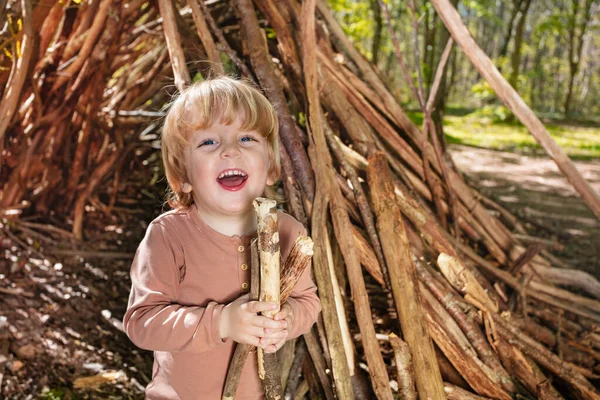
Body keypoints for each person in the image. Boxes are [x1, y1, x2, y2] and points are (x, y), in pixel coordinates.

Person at [123, 76, 321, 399]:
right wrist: (222, 323)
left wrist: (286, 320)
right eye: (209, 143)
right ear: (182, 176)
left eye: (246, 138)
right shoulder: (168, 237)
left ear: (271, 166)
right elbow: (142, 322)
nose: (230, 151)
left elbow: (309, 303)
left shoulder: (288, 233)